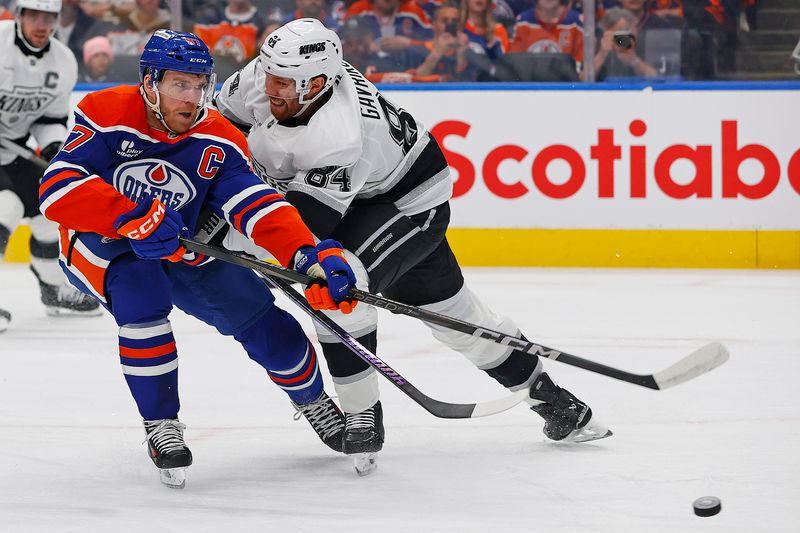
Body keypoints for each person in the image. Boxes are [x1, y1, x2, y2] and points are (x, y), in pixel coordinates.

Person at [214, 18, 610, 473]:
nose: (270, 86)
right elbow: (216, 135)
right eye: (268, 72)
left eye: (283, 81)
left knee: (335, 288)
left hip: (407, 203)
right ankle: (558, 405)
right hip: (360, 196)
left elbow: (300, 229)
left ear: (318, 83)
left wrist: (222, 230)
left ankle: (363, 416)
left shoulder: (338, 133)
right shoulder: (261, 79)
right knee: (457, 319)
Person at [38, 29, 359, 488]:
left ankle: (313, 402)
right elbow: (56, 190)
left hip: (179, 242)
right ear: (149, 82)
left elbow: (256, 204)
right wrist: (130, 217)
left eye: (199, 84)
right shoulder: (106, 113)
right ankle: (161, 425)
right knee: (141, 296)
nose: (192, 97)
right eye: (179, 85)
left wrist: (307, 253)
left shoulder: (219, 138)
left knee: (259, 317)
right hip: (102, 242)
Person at [0, 0, 101, 319]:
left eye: (49, 17)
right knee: (6, 207)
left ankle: (53, 287)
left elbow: (49, 119)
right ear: (19, 16)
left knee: (49, 208)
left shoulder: (63, 60)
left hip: (12, 147)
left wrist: (55, 147)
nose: (42, 24)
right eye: (34, 16)